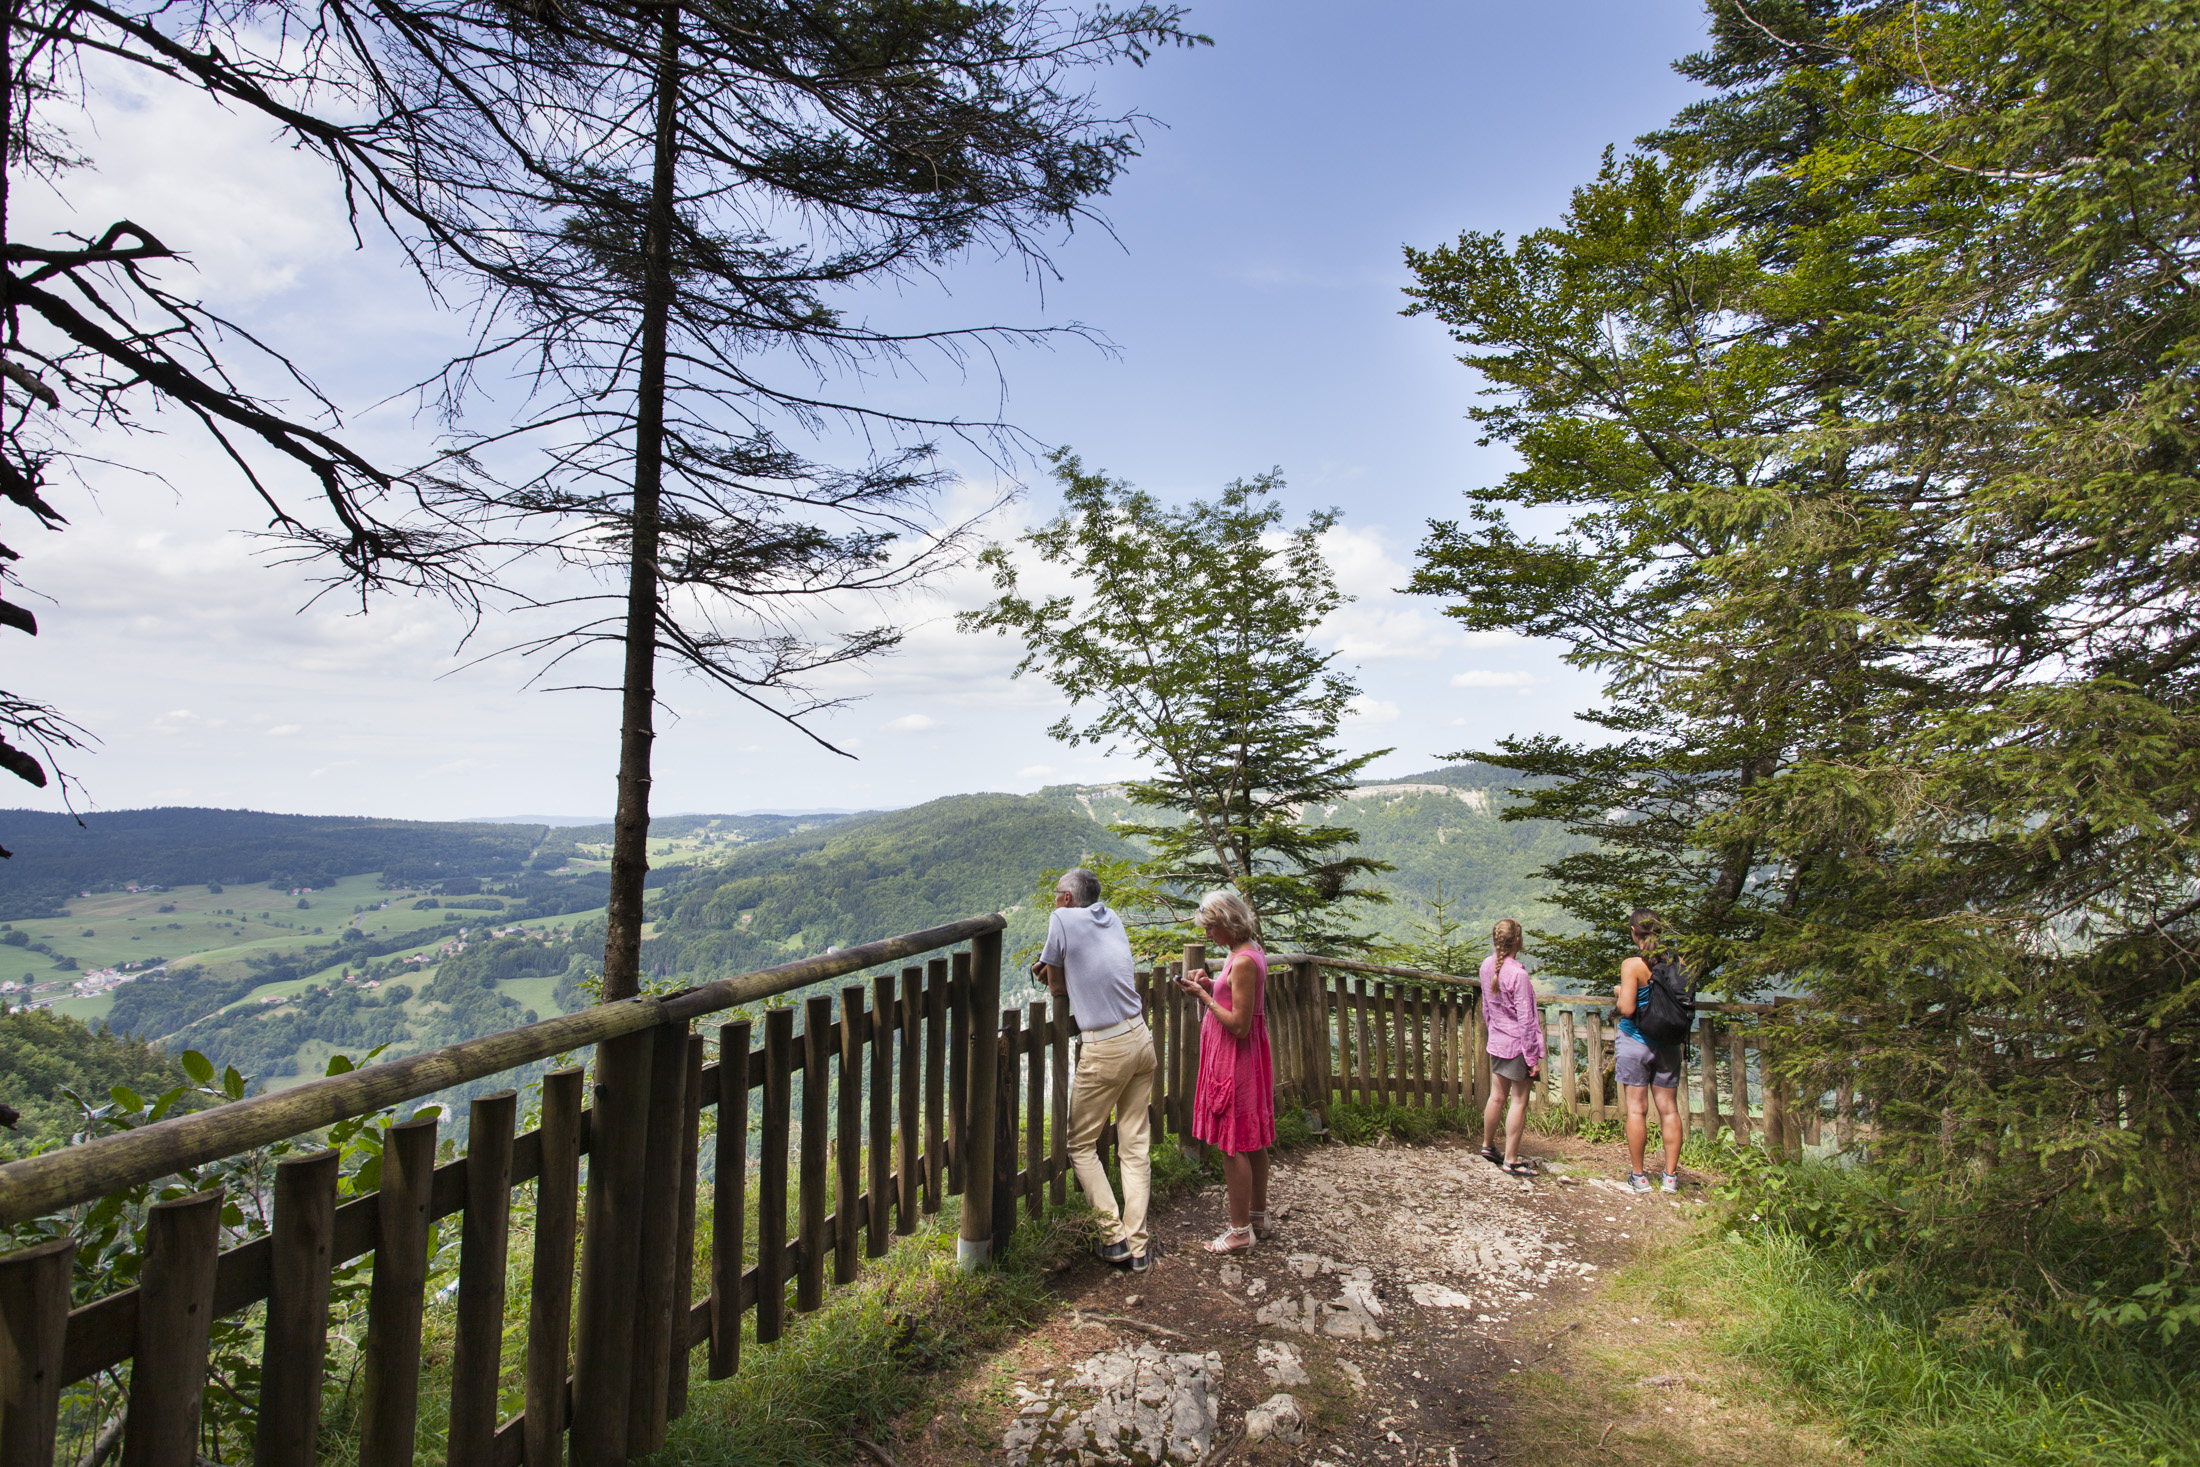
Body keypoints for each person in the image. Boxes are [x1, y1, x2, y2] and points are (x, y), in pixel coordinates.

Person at [1039, 867, 1158, 1270]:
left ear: (1068, 898)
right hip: (1141, 1036)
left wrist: (1054, 973)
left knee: (1080, 1145)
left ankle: (1113, 1237)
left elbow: (1056, 986)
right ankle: (1139, 1245)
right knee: (1135, 1146)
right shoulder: (1113, 917)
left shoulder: (1060, 918)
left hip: (1106, 1046)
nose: (1055, 899)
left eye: (1057, 893)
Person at [1178, 888, 1274, 1253]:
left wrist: (1203, 998)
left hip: (1236, 1059)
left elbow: (1239, 1024)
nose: (1206, 935)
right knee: (1254, 1139)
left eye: (1210, 928)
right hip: (1240, 1057)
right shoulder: (1242, 951)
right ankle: (1258, 1215)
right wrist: (1211, 984)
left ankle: (1239, 1231)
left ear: (1228, 924)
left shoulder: (1246, 960)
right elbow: (1232, 994)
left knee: (1234, 1143)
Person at [1615, 908, 1686, 1194]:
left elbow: (1629, 1009)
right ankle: (1670, 1177)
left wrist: (1621, 993)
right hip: (1668, 1043)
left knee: (1636, 1109)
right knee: (1669, 1110)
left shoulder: (1633, 965)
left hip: (1635, 1042)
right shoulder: (1679, 962)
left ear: (1634, 932)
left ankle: (1639, 1176)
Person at [1479, 918, 1542, 1178]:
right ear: (1518, 940)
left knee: (1497, 1096)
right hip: (1517, 1045)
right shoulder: (1519, 974)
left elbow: (1487, 1008)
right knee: (1519, 1100)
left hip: (1498, 1041)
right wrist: (1532, 1057)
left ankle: (1488, 1146)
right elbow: (1526, 1021)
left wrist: (1494, 1033)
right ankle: (1512, 1159)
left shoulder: (1486, 965)